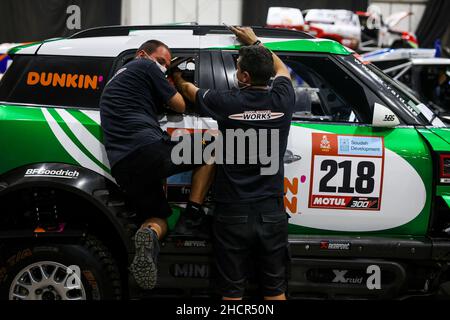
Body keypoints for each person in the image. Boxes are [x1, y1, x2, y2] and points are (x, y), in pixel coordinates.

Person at [173, 26, 295, 300]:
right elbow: (283, 71)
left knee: (231, 294)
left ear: (244, 76)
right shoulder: (284, 99)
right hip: (271, 212)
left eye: (239, 67)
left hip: (232, 213)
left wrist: (178, 78)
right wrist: (256, 43)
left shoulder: (227, 102)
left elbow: (192, 92)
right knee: (276, 292)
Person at [99, 40, 214, 290]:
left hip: (123, 167)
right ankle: (194, 215)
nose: (162, 67)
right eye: (161, 61)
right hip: (147, 151)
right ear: (142, 54)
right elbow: (180, 105)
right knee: (216, 143)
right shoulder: (144, 66)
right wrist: (174, 77)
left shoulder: (115, 82)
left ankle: (148, 235)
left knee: (157, 218)